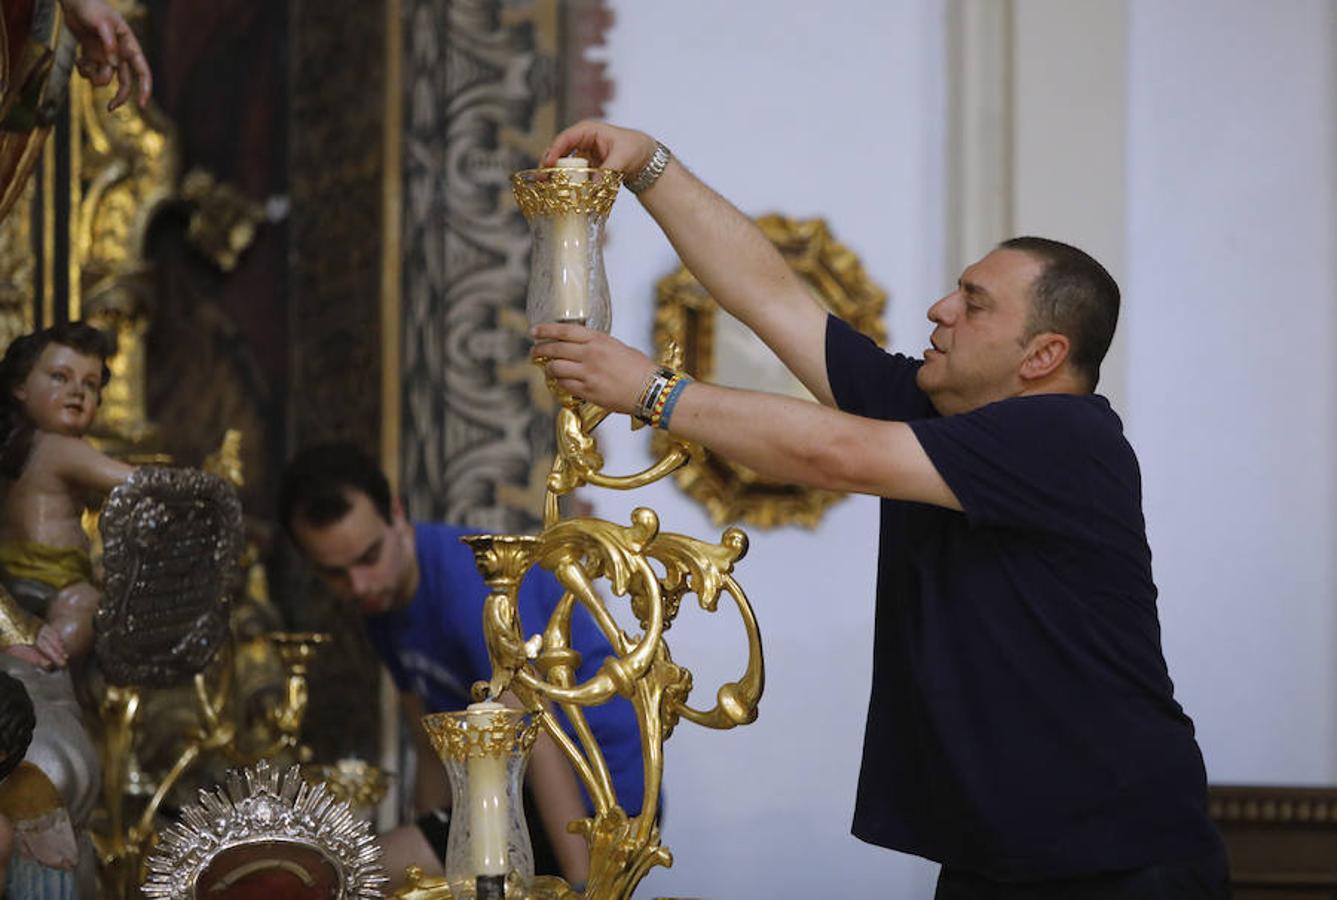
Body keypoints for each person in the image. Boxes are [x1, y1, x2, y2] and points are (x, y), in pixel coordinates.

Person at [528, 121, 1230, 899]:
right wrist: (647, 164)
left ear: (1043, 356)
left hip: (1117, 862)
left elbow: (835, 455)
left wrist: (650, 392)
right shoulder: (940, 411)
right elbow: (773, 301)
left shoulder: (1068, 438)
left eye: (973, 302)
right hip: (995, 855)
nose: (938, 309)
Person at [278, 442, 647, 891]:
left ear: (396, 513)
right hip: (510, 796)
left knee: (351, 872)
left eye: (368, 557)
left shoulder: (467, 592)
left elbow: (541, 740)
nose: (359, 585)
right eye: (334, 573)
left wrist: (587, 882)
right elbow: (428, 738)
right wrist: (425, 854)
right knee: (375, 871)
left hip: (597, 796)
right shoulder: (382, 604)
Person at [0, 321, 133, 670]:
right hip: (55, 578)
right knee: (90, 606)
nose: (77, 391)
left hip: (14, 576)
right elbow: (131, 482)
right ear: (20, 386)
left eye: (90, 384)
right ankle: (46, 661)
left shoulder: (23, 448)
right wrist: (183, 481)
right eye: (60, 377)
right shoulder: (62, 447)